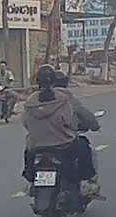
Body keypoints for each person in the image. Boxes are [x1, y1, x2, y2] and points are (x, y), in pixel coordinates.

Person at [22, 65, 101, 196]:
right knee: (84, 146)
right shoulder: (64, 98)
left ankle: (31, 182)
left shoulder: (30, 101)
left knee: (28, 152)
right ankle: (86, 182)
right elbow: (69, 121)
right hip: (63, 145)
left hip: (36, 146)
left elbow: (25, 123)